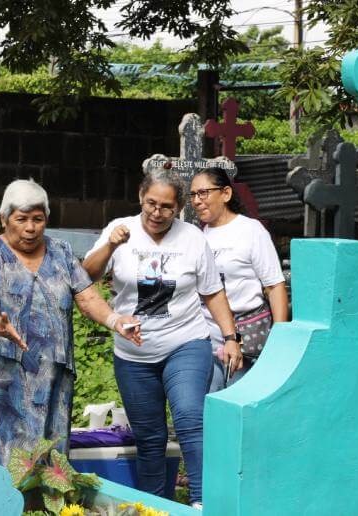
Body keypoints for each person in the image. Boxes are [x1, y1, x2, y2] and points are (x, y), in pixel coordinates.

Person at [83, 169, 239, 509]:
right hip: (133, 353)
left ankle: (201, 501)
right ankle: (156, 506)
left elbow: (212, 292)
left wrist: (230, 337)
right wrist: (110, 245)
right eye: (151, 203)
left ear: (179, 207)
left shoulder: (193, 238)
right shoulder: (119, 230)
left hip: (186, 343)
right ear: (140, 197)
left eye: (166, 207)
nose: (157, 212)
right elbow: (86, 276)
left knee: (189, 416)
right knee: (149, 436)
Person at [0, 179, 141, 467]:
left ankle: (36, 509)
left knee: (43, 453)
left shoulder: (62, 253)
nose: (30, 228)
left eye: (38, 219)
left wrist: (117, 321)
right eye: (21, 219)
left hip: (48, 374)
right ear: (4, 219)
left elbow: (88, 297)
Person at [190, 168, 288, 392]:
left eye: (203, 193)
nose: (197, 201)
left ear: (226, 193)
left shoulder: (250, 231)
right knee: (209, 407)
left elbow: (274, 285)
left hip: (245, 336)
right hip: (207, 339)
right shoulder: (198, 236)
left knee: (238, 403)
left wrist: (279, 338)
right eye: (193, 194)